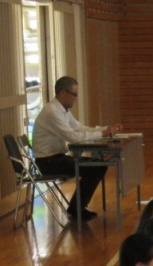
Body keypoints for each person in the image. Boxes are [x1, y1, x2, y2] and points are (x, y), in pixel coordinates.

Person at [31, 76, 122, 220]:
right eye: (74, 94)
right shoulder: (52, 112)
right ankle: (76, 210)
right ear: (63, 93)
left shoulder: (62, 110)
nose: (76, 98)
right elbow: (73, 137)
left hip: (56, 158)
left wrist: (105, 129)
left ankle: (77, 208)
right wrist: (103, 133)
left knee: (99, 165)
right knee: (94, 168)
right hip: (47, 162)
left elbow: (80, 128)